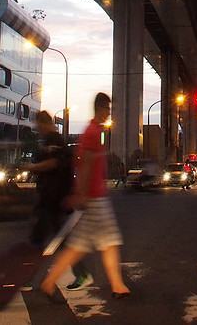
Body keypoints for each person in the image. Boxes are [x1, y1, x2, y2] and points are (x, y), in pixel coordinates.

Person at [38, 93, 131, 302]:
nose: (109, 112)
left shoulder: (95, 131)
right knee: (109, 242)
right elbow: (86, 164)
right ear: (100, 109)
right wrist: (80, 193)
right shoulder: (92, 133)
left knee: (80, 246)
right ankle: (118, 286)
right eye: (107, 109)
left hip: (93, 196)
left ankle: (49, 282)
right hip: (94, 197)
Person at [26, 111, 91, 292]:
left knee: (41, 239)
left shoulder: (54, 141)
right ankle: (81, 274)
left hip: (54, 198)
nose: (37, 129)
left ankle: (28, 278)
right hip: (51, 197)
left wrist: (32, 167)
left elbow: (53, 164)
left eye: (38, 125)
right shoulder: (50, 141)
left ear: (45, 124)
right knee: (52, 240)